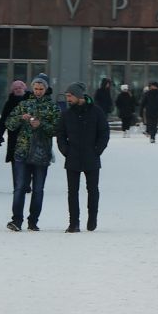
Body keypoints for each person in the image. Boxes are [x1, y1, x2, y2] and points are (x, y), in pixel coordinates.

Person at [4, 73, 60, 232]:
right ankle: (16, 220)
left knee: (38, 189)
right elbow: (9, 123)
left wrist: (40, 125)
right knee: (20, 187)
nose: (38, 91)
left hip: (41, 152)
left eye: (41, 88)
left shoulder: (53, 107)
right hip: (22, 151)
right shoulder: (24, 104)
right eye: (35, 88)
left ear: (46, 89)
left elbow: (56, 129)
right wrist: (21, 118)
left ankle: (33, 221)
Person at [57, 82, 110, 233]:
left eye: (70, 96)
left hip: (91, 157)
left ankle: (92, 218)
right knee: (72, 192)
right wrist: (65, 150)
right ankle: (73, 222)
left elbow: (104, 133)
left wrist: (97, 150)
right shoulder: (66, 114)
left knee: (92, 190)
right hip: (72, 157)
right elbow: (60, 134)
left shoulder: (96, 112)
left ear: (79, 96)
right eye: (67, 96)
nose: (67, 99)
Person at [0, 79, 28, 164]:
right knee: (16, 164)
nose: (18, 90)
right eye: (15, 89)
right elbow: (3, 120)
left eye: (20, 88)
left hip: (29, 137)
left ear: (24, 89)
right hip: (14, 137)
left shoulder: (31, 101)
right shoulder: (9, 103)